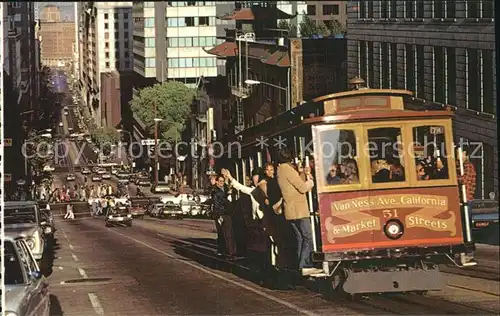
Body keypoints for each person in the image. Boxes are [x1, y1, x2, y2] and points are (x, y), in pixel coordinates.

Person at [276, 149, 322, 276]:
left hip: (290, 211)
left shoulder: (280, 170)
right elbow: (302, 188)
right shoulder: (288, 170)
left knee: (300, 238)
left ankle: (300, 265)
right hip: (299, 210)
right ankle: (305, 265)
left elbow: (295, 184)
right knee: (307, 236)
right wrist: (311, 181)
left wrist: (302, 174)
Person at [211, 174, 238, 259]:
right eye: (220, 181)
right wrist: (219, 216)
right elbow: (218, 203)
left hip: (226, 213)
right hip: (222, 214)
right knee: (226, 233)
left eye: (223, 181)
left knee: (226, 233)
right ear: (216, 182)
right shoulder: (215, 191)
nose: (222, 183)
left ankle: (224, 251)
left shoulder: (225, 189)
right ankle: (230, 252)